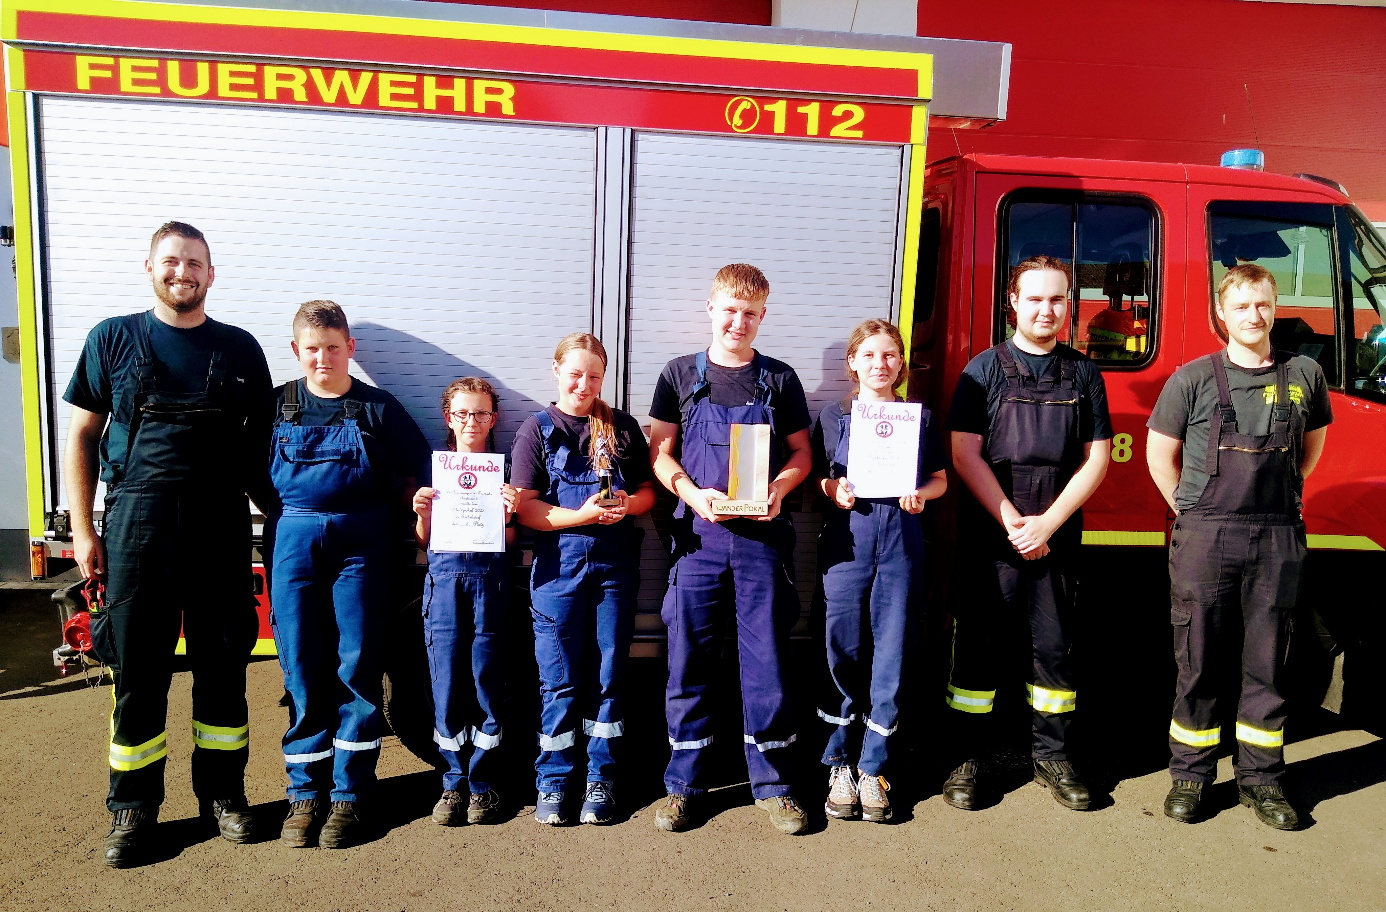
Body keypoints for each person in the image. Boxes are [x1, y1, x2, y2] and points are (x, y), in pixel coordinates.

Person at [62, 222, 274, 867]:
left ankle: (224, 797)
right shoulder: (112, 339)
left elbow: (261, 451)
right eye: (171, 261)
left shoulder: (239, 349)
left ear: (212, 275)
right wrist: (83, 528)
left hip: (219, 523)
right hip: (138, 524)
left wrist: (285, 519)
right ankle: (132, 811)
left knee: (223, 667)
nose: (183, 272)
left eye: (195, 263)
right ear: (149, 268)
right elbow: (82, 437)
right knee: (138, 671)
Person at [1146, 263, 1330, 830]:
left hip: (1277, 536)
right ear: (1221, 315)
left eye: (1263, 305)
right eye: (1242, 306)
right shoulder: (1194, 379)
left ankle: (1262, 780)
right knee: (1198, 660)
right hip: (1206, 536)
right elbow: (1159, 454)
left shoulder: (1305, 375)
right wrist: (1192, 513)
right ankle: (1191, 776)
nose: (1254, 316)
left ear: (1275, 309)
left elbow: (1312, 449)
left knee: (1267, 664)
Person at [647, 264, 815, 835]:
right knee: (687, 658)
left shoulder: (779, 379)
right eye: (729, 309)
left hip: (762, 541)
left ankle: (776, 786)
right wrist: (691, 495)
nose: (738, 321)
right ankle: (683, 786)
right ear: (712, 308)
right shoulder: (678, 374)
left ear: (762, 315)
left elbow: (801, 455)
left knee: (766, 659)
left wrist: (779, 490)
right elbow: (659, 454)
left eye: (750, 312)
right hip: (697, 542)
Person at [943, 255, 1112, 812]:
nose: (1047, 310)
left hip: (1055, 532)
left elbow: (1096, 459)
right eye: (1035, 299)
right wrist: (1013, 520)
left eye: (1058, 300)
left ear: (1069, 306)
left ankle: (1054, 756)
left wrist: (1047, 524)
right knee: (978, 649)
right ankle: (967, 757)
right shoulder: (983, 370)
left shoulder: (1084, 373)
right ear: (1012, 302)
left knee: (1056, 652)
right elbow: (964, 453)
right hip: (995, 531)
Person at [267, 300, 429, 849]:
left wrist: (416, 505)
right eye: (312, 349)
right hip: (294, 538)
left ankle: (350, 798)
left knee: (357, 664)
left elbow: (417, 471)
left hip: (364, 542)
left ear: (349, 350)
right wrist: (299, 514)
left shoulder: (377, 408)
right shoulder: (278, 406)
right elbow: (252, 476)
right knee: (302, 665)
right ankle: (303, 796)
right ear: (296, 351)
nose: (323, 358)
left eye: (333, 347)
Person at [512, 333, 656, 825]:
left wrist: (625, 508)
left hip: (613, 571)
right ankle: (553, 782)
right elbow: (527, 509)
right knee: (559, 682)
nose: (584, 383)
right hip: (557, 572)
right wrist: (585, 515)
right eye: (575, 373)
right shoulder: (535, 430)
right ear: (556, 370)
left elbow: (647, 494)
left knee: (609, 676)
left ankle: (602, 778)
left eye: (594, 375)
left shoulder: (623, 427)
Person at [812, 319, 948, 823]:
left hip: (900, 540)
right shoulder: (833, 416)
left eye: (889, 356)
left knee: (890, 650)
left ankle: (874, 766)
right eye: (869, 355)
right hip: (848, 542)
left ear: (901, 364)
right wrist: (836, 491)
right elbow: (819, 480)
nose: (880, 365)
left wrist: (920, 496)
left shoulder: (920, 419)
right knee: (840, 648)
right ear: (852, 362)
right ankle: (838, 763)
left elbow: (939, 480)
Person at [412, 377, 518, 826]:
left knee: (487, 679)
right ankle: (452, 783)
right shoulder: (433, 469)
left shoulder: (505, 468)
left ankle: (483, 784)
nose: (471, 421)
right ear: (448, 418)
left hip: (490, 583)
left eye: (480, 413)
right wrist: (423, 512)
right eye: (462, 413)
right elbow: (423, 541)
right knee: (447, 681)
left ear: (493, 419)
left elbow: (510, 541)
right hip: (444, 583)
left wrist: (509, 513)